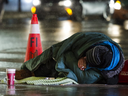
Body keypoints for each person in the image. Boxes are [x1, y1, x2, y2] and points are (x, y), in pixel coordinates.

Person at [15, 32, 125, 85]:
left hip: (64, 64)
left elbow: (64, 59)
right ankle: (29, 68)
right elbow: (68, 43)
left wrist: (84, 61)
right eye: (87, 55)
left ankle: (32, 72)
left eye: (88, 60)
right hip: (70, 53)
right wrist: (81, 56)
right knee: (53, 54)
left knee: (58, 63)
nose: (85, 58)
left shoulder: (94, 75)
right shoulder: (96, 39)